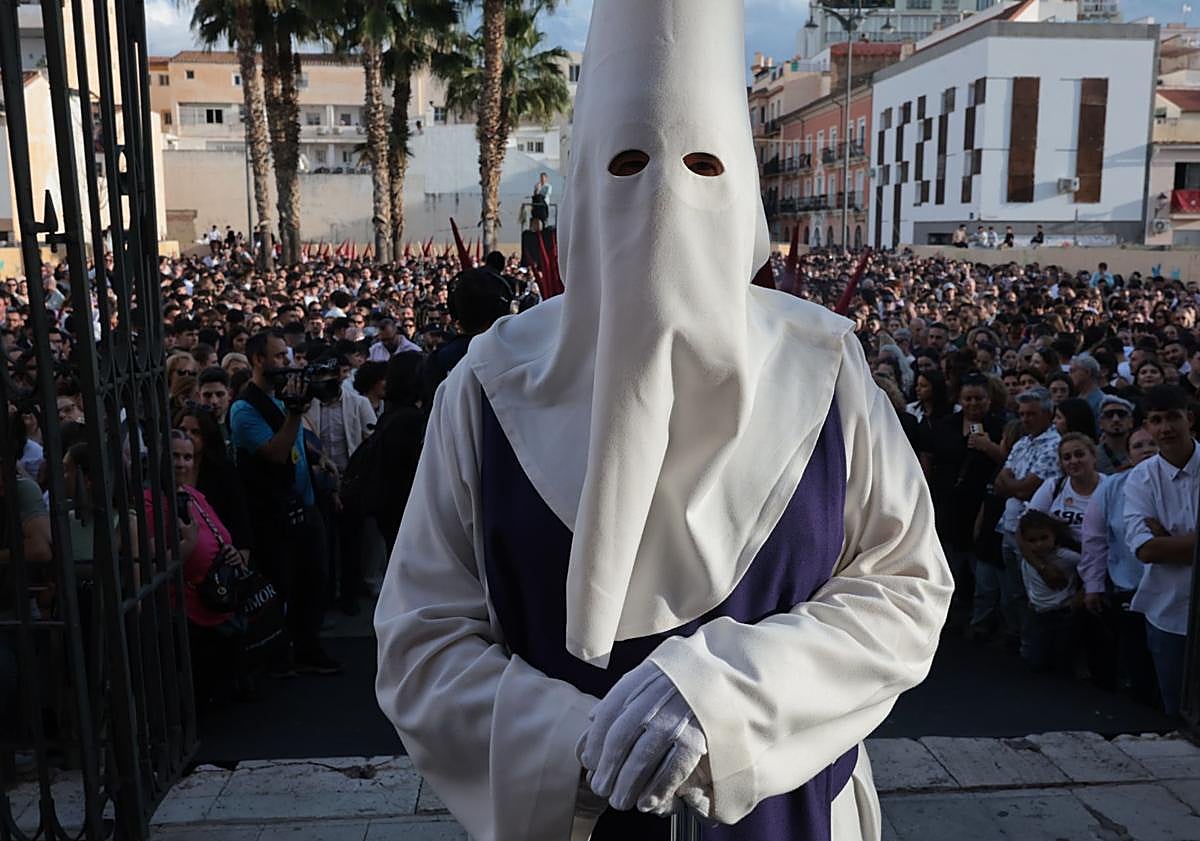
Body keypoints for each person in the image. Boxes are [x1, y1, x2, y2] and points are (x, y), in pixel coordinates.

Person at [374, 3, 952, 839]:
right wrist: (567, 743)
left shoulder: (825, 366)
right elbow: (421, 640)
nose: (665, 199)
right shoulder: (489, 385)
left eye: (703, 164)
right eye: (628, 162)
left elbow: (906, 588)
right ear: (579, 186)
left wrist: (731, 692)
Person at [230, 331, 340, 676]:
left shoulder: (279, 398)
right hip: (273, 515)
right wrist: (294, 415)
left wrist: (316, 454)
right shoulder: (243, 409)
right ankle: (277, 655)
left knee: (314, 580)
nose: (286, 364)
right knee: (281, 583)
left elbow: (296, 441)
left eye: (287, 356)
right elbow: (276, 453)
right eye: (278, 357)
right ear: (258, 360)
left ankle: (307, 648)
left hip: (304, 507)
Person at [1124, 385, 1199, 717]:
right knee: (1177, 713)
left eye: (1173, 418)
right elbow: (1145, 549)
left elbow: (1158, 546)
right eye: (1156, 420)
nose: (1166, 428)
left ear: (1189, 419)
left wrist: (1168, 540)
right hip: (1167, 614)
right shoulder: (1141, 478)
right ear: (1147, 426)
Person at [1080, 426, 1159, 702]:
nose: (1147, 449)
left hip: (1174, 588)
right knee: (1138, 662)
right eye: (1139, 445)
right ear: (1128, 454)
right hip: (1130, 588)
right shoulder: (1111, 487)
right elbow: (1094, 540)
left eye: (1152, 443)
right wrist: (1093, 585)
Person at [991, 387, 1061, 643]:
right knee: (1014, 591)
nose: (1025, 419)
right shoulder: (1021, 442)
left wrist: (1014, 487)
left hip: (1033, 535)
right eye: (1022, 414)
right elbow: (1001, 481)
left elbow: (1028, 487)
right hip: (1008, 528)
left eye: (1032, 414)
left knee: (1034, 591)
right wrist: (1014, 487)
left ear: (1047, 414)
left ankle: (1036, 645)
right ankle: (1022, 638)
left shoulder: (1055, 445)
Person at [1015, 510, 1083, 672]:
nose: (1039, 544)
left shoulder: (1066, 557)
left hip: (1062, 612)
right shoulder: (1027, 558)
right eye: (1032, 541)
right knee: (1038, 660)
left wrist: (1081, 593)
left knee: (1062, 657)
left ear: (1054, 536)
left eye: (1044, 538)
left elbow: (1089, 569)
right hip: (1038, 612)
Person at [1095, 395, 1135, 474]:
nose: (1116, 419)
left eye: (1121, 414)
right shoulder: (1092, 456)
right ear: (1100, 424)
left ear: (1131, 422)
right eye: (1109, 415)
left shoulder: (1142, 450)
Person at [1068, 353, 1105, 419]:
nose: (1069, 375)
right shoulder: (1077, 397)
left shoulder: (1101, 401)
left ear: (1087, 372)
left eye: (1073, 371)